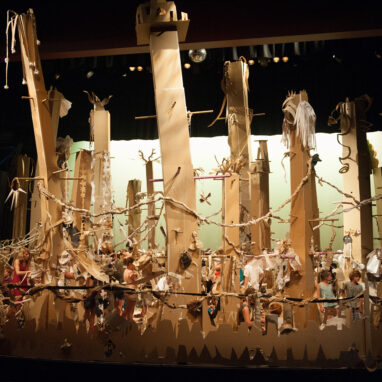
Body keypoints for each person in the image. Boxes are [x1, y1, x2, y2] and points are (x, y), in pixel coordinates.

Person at [122, 257, 138, 321]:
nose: (134, 265)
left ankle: (123, 322)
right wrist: (136, 274)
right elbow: (136, 281)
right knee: (131, 311)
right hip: (132, 292)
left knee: (127, 309)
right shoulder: (131, 273)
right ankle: (130, 324)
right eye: (133, 264)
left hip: (127, 291)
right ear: (130, 264)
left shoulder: (125, 270)